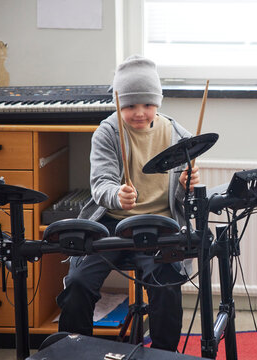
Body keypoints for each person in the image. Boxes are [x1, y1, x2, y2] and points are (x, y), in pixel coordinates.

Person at [56, 55, 199, 351]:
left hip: (160, 222)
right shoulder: (107, 132)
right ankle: (74, 351)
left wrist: (188, 187)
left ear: (158, 102)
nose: (139, 113)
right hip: (109, 221)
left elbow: (187, 201)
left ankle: (164, 354)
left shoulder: (178, 136)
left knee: (167, 285)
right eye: (130, 105)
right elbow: (100, 185)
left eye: (147, 104)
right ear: (118, 103)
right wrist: (116, 195)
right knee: (79, 281)